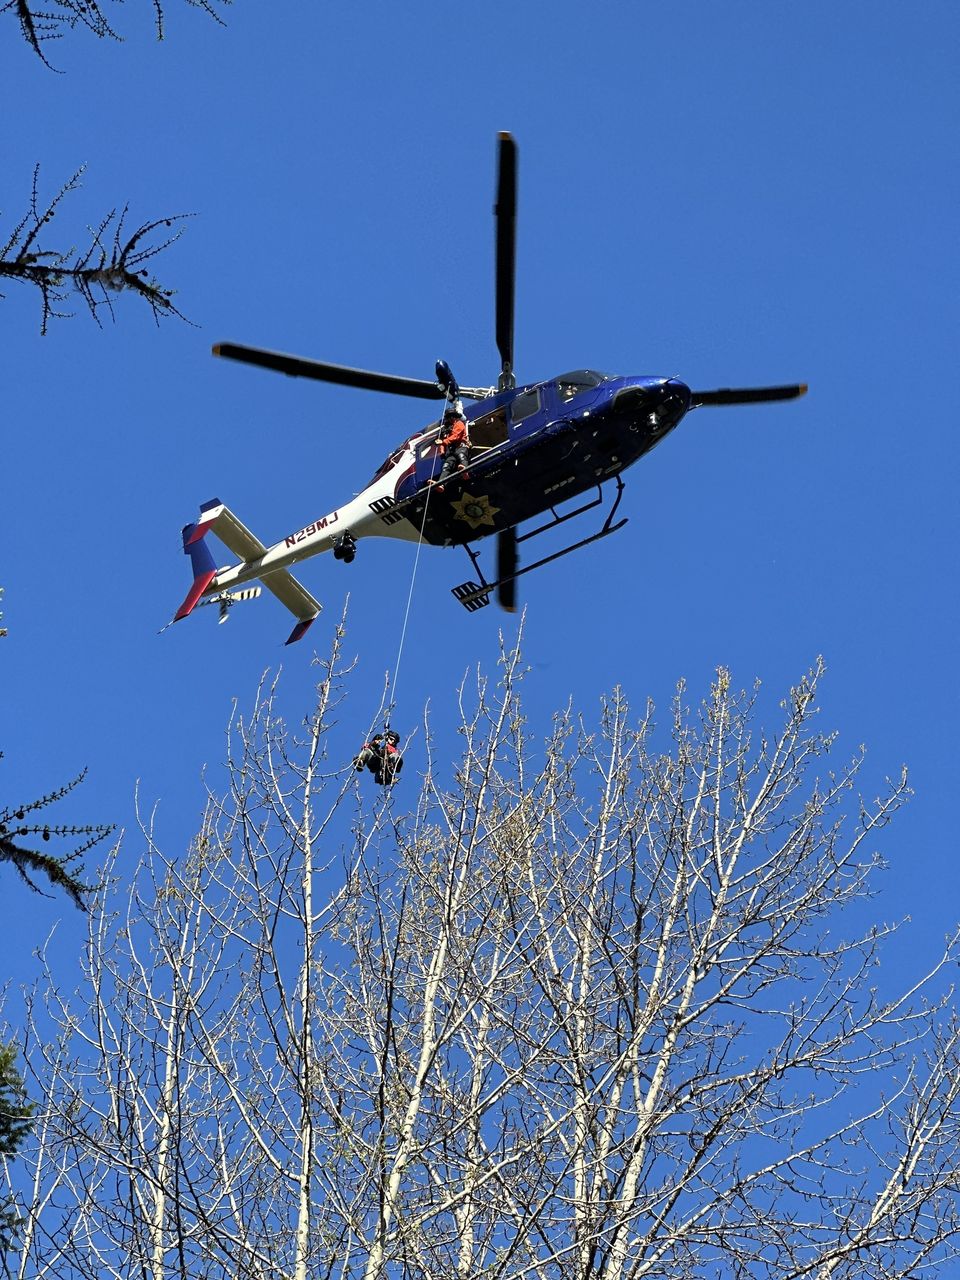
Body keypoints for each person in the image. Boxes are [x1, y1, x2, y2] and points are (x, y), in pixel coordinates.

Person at [435, 403, 471, 488]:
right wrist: (442, 452)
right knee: (446, 465)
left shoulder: (459, 424)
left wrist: (444, 442)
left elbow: (456, 436)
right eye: (449, 417)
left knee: (461, 456)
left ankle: (465, 471)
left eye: (452, 416)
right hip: (451, 451)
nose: (451, 418)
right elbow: (442, 441)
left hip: (460, 446)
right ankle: (441, 484)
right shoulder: (445, 430)